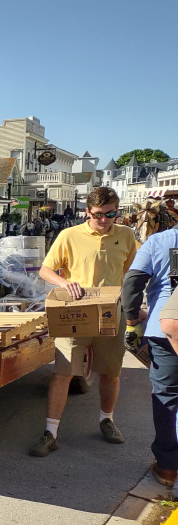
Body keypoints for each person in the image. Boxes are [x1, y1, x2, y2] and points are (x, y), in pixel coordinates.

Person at [30, 187, 140, 456]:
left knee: (110, 372)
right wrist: (64, 283)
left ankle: (107, 420)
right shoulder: (69, 235)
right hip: (74, 313)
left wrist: (132, 307)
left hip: (110, 313)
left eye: (111, 214)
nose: (104, 220)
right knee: (63, 374)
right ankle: (50, 432)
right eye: (99, 214)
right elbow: (45, 270)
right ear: (87, 212)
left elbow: (129, 272)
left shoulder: (126, 235)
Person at [125, 225, 178, 488]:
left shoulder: (159, 241)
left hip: (165, 328)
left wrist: (132, 320)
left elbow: (133, 282)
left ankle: (168, 467)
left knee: (167, 394)